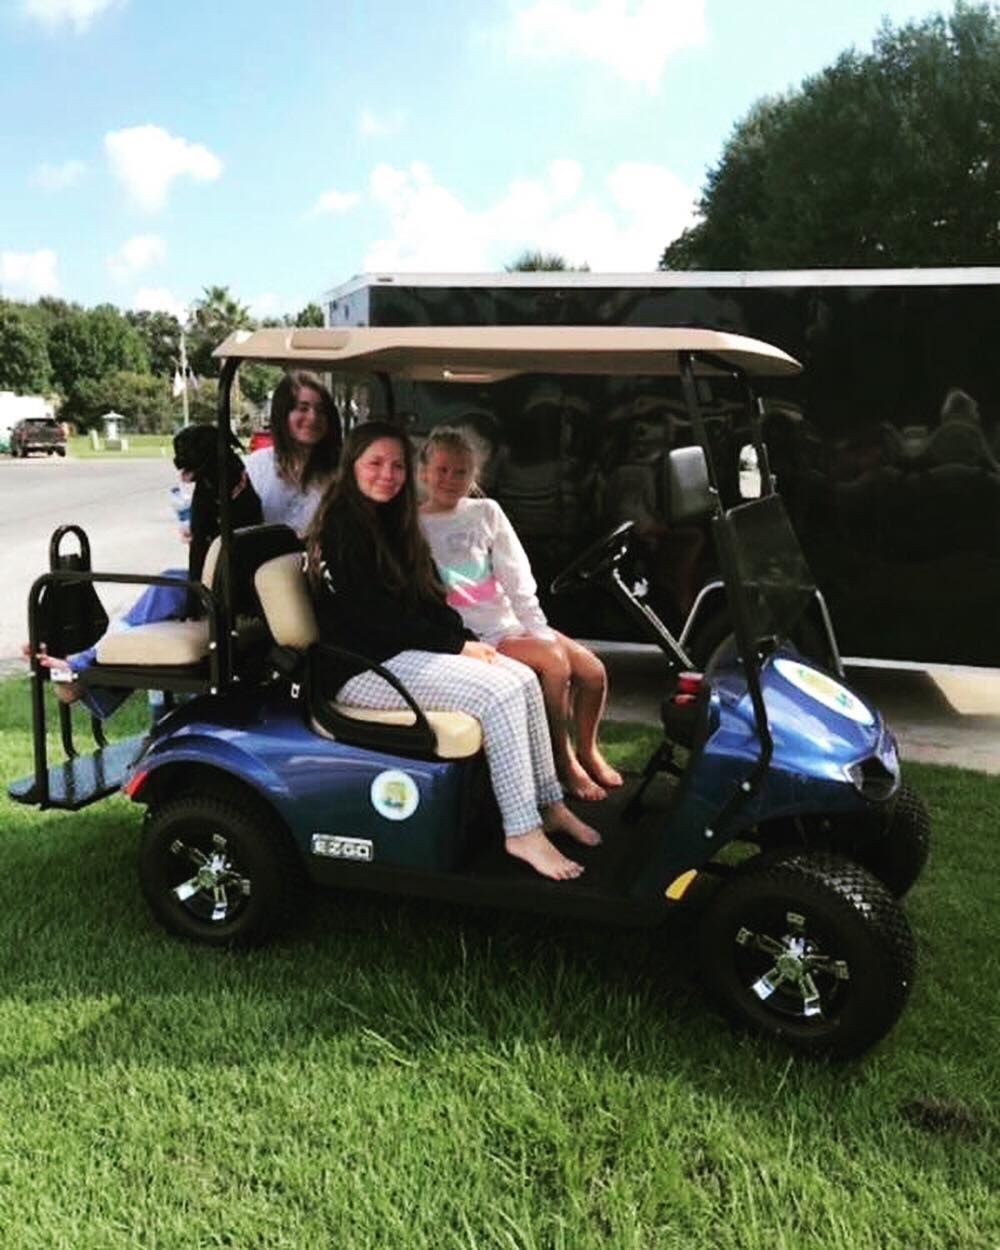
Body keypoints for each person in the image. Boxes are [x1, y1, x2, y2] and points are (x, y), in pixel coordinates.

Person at [306, 420, 599, 882]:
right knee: (496, 694)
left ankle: (549, 803)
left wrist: (464, 639)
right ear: (353, 465)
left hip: (396, 654)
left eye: (397, 465)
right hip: (360, 669)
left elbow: (426, 598)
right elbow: (375, 618)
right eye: (375, 463)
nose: (388, 474)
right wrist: (454, 645)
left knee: (523, 677)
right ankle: (522, 830)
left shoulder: (391, 520)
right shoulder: (345, 526)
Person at [417, 425, 623, 803]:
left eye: (461, 471)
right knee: (555, 664)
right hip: (474, 633)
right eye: (442, 469)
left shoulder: (486, 512)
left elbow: (516, 574)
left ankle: (587, 750)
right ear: (424, 473)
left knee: (593, 672)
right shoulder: (415, 526)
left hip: (507, 622)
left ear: (473, 476)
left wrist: (537, 629)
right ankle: (562, 761)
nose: (450, 478)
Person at [246, 371, 341, 537]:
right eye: (302, 408)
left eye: (320, 410)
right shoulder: (256, 467)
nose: (313, 417)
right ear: (282, 414)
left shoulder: (339, 472)